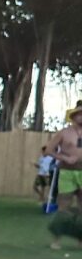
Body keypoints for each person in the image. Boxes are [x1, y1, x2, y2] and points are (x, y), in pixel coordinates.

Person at [46, 100, 82, 249]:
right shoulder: (64, 133)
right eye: (79, 114)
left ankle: (80, 241)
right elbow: (48, 150)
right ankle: (56, 240)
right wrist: (65, 158)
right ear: (73, 116)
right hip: (67, 172)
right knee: (64, 208)